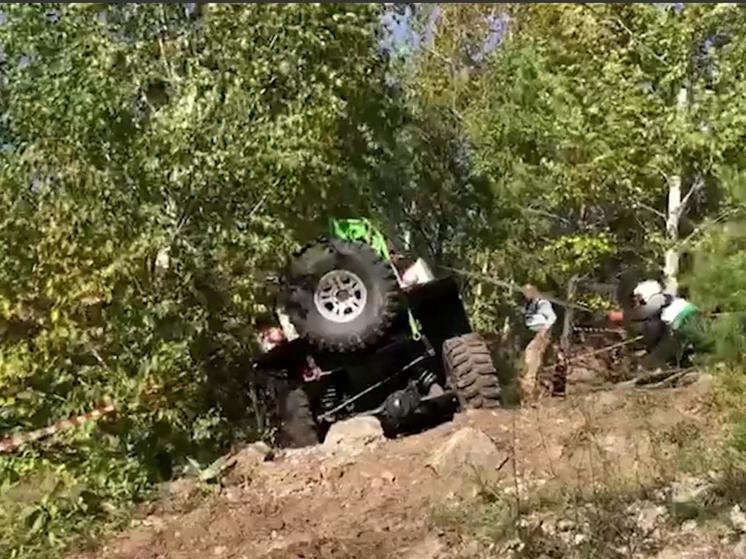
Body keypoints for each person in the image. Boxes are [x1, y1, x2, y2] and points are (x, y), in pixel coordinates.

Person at [519, 284, 557, 404]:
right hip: (532, 333)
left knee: (532, 359)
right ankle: (534, 391)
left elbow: (552, 317)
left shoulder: (542, 303)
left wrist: (543, 330)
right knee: (533, 361)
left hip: (540, 334)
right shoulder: (530, 304)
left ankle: (529, 394)